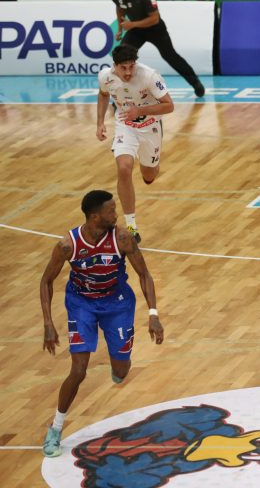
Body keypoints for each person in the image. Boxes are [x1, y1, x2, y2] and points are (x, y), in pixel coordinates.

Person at [41, 190, 164, 457]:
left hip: (117, 302)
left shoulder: (122, 238)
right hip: (82, 304)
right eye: (111, 211)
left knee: (121, 370)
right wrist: (48, 323)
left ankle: (118, 363)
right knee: (78, 370)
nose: (116, 215)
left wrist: (153, 314)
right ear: (95, 216)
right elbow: (46, 281)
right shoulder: (68, 245)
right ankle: (56, 428)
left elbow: (144, 274)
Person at [96, 45, 174, 244]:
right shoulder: (105, 77)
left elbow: (169, 105)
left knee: (149, 176)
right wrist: (100, 123)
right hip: (125, 126)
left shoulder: (149, 76)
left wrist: (140, 111)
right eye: (124, 68)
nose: (128, 72)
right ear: (115, 66)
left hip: (150, 127)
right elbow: (103, 95)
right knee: (124, 168)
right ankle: (131, 227)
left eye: (132, 66)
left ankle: (152, 163)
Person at [111, 0, 205, 97]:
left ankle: (196, 83)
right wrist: (120, 29)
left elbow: (154, 19)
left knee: (171, 57)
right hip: (136, 31)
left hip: (155, 29)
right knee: (122, 56)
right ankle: (122, 95)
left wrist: (132, 24)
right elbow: (120, 8)